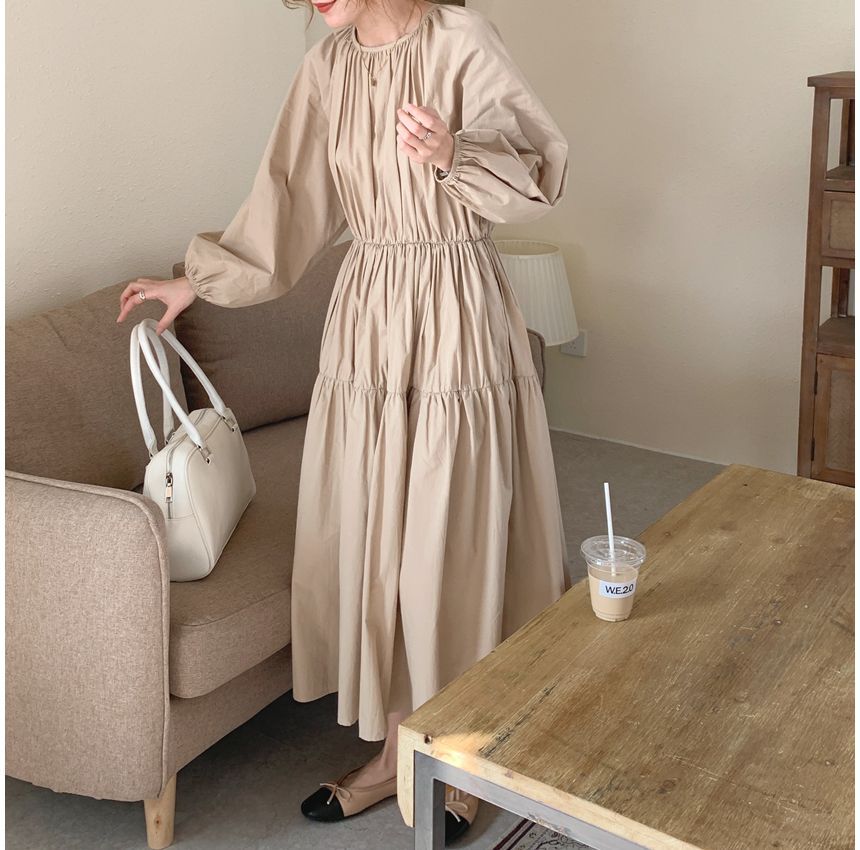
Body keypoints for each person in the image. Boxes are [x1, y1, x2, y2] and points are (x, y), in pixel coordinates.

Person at [117, 0, 571, 843]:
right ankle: (399, 747)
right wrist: (197, 283)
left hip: (453, 308)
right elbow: (286, 200)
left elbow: (538, 175)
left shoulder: (460, 39)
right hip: (367, 318)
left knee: (448, 535)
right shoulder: (326, 68)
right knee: (380, 538)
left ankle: (459, 744)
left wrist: (452, 154)